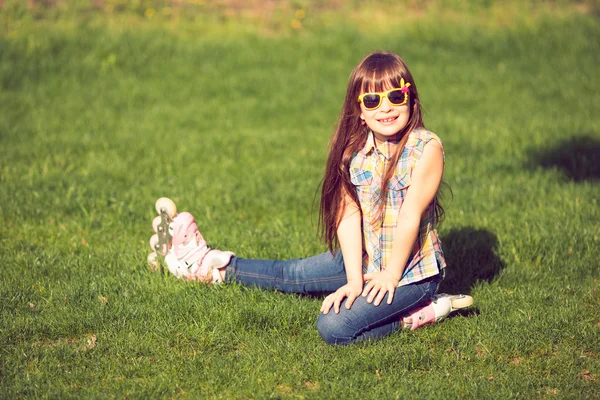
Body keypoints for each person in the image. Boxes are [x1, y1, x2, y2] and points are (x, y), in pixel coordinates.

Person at [148, 51, 472, 345]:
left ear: (410, 99)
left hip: (410, 276)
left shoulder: (425, 148)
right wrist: (354, 279)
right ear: (359, 110)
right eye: (372, 99)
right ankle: (210, 266)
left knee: (335, 327)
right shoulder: (354, 153)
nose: (385, 107)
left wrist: (389, 275)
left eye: (395, 96)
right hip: (365, 258)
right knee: (292, 275)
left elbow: (410, 215)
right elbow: (348, 216)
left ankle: (427, 310)